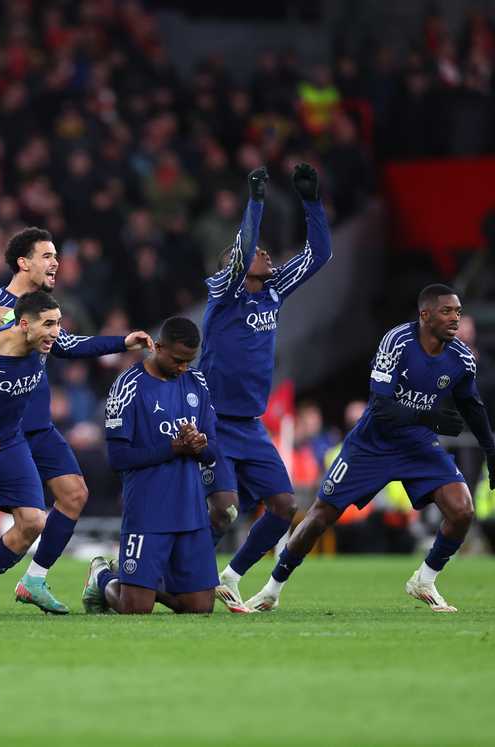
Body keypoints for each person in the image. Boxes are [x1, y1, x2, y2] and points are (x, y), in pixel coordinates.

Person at [244, 285, 495, 613]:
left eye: (458, 312)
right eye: (446, 311)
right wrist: (432, 418)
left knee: (463, 510)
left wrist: (492, 453)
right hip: (372, 444)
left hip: (418, 445)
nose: (455, 318)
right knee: (320, 516)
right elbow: (381, 406)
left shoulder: (462, 357)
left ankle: (425, 580)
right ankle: (272, 588)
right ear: (425, 315)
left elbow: (472, 407)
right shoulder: (397, 342)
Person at [0, 226, 155, 614]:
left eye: (56, 255)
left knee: (74, 494)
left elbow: (69, 345)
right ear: (24, 262)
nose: (56, 262)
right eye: (47, 256)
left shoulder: (45, 310)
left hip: (38, 426)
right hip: (3, 433)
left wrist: (121, 342)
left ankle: (32, 580)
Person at [198, 164, 333, 613]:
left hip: (251, 425)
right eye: (258, 251)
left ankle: (230, 576)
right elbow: (240, 253)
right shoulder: (223, 291)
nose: (266, 253)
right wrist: (255, 203)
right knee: (222, 510)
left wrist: (311, 202)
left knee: (283, 504)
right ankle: (184, 574)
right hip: (213, 421)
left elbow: (320, 254)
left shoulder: (273, 291)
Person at [82, 317, 232, 615]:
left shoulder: (197, 381)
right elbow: (117, 458)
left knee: (200, 607)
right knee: (135, 609)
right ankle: (102, 577)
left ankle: (144, 586)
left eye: (189, 361)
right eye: (177, 360)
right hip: (148, 509)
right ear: (158, 347)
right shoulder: (128, 385)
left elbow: (214, 449)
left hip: (190, 509)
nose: (183, 367)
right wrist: (172, 448)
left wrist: (200, 445)